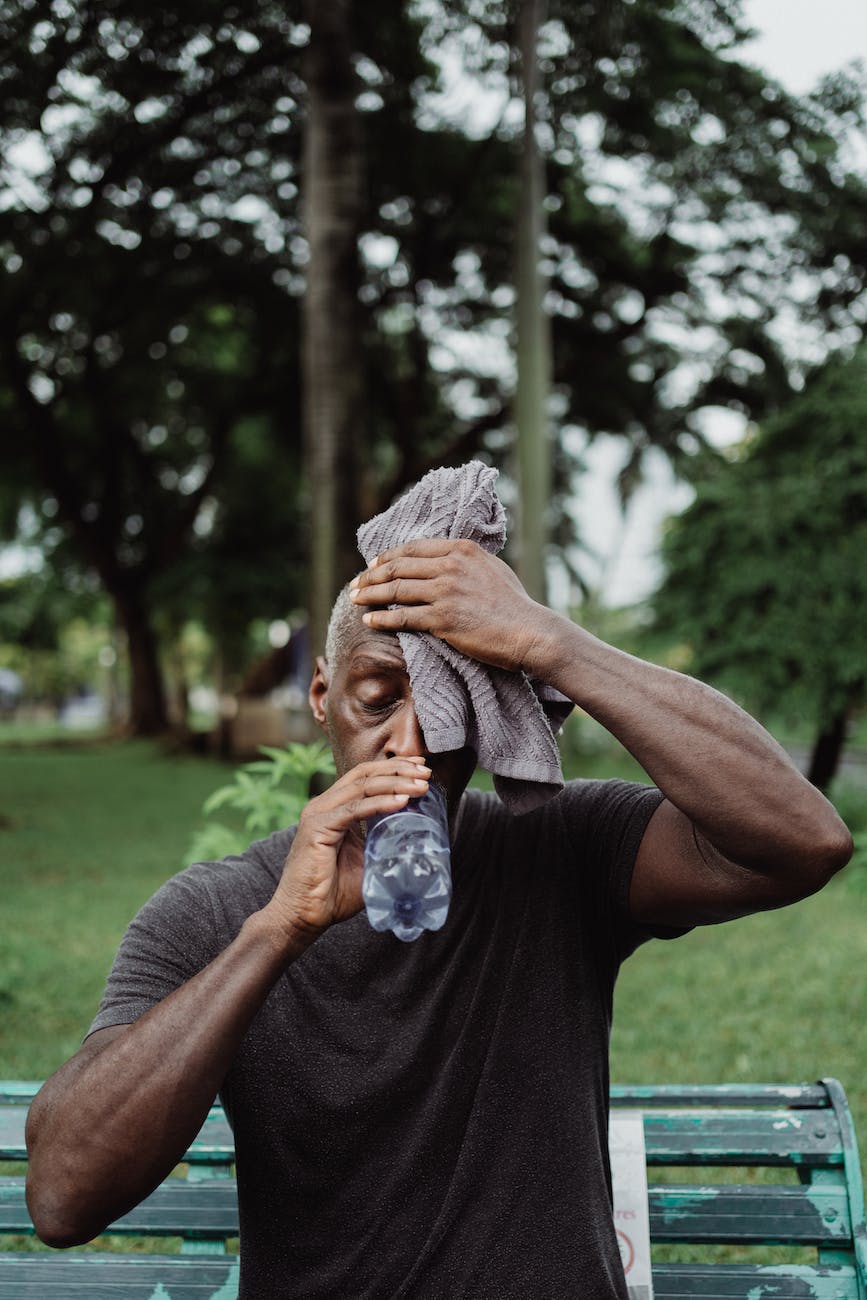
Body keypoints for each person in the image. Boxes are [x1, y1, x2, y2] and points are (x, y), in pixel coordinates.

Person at [25, 538, 852, 1299]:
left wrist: (551, 642)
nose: (407, 747)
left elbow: (803, 842)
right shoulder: (216, 913)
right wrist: (280, 931)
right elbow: (64, 1197)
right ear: (323, 696)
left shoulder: (558, 849)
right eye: (376, 700)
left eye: (451, 712)